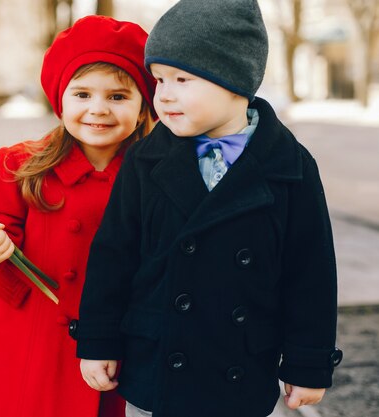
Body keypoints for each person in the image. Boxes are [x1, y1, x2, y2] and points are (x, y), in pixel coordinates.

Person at [74, 1, 343, 417]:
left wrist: (308, 362)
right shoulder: (146, 160)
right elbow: (113, 256)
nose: (164, 95)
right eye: (159, 79)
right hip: (157, 363)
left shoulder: (290, 167)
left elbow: (311, 273)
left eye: (182, 78)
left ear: (234, 80)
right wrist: (98, 341)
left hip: (239, 368)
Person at [0, 15, 156, 417]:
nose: (98, 110)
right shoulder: (21, 165)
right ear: (60, 100)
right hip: (28, 337)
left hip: (111, 342)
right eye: (83, 94)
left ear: (144, 107)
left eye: (118, 97)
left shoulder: (153, 176)